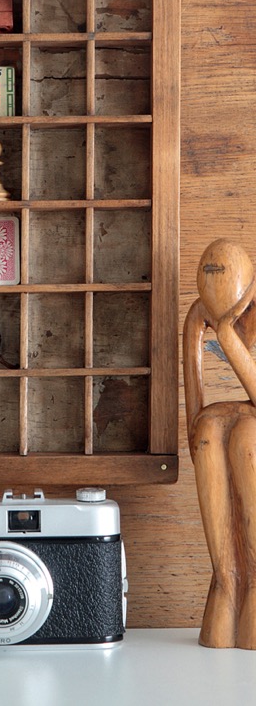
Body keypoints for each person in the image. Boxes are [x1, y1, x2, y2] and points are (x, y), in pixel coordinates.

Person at [184, 238, 256, 648]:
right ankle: (226, 583)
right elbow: (194, 403)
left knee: (246, 435)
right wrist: (195, 436)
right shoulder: (197, 314)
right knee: (210, 432)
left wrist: (227, 333)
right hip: (218, 419)